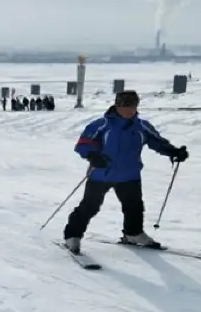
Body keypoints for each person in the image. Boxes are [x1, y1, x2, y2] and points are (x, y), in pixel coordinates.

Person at [63, 90, 188, 253]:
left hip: (130, 174)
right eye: (125, 107)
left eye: (133, 107)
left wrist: (174, 152)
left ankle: (133, 233)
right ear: (117, 106)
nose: (129, 111)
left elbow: (157, 142)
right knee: (90, 206)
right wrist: (92, 156)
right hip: (101, 174)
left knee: (134, 206)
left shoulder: (142, 126)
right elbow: (83, 144)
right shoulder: (102, 124)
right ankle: (72, 236)